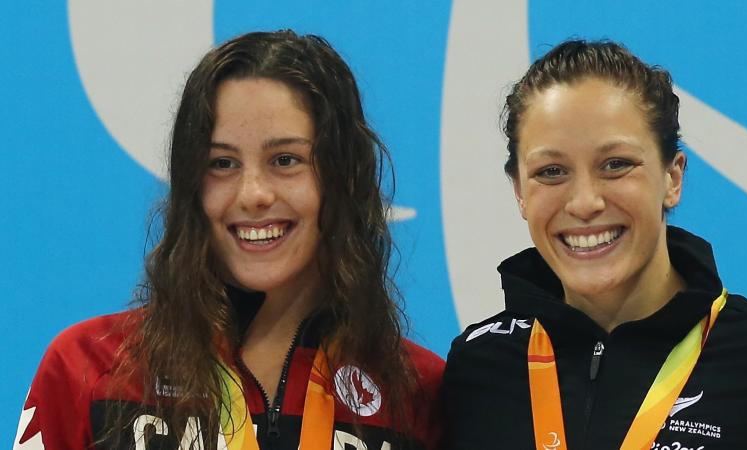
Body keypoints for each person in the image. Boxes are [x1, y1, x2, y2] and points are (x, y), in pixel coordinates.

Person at [16, 30, 443, 450]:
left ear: (343, 178)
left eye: (285, 160)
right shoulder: (90, 367)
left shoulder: (418, 392)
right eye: (222, 163)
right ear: (191, 188)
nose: (253, 193)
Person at [443, 40, 747, 449]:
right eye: (552, 171)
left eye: (616, 165)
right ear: (520, 190)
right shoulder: (478, 366)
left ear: (672, 177)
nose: (584, 203)